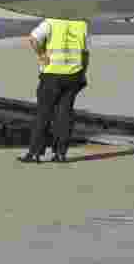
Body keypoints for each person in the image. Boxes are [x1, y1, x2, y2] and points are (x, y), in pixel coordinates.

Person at [19, 18, 90, 164]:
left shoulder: (51, 22)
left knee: (43, 114)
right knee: (65, 115)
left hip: (52, 76)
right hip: (73, 75)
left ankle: (35, 153)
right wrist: (83, 73)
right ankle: (60, 154)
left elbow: (33, 39)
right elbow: (84, 53)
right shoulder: (81, 24)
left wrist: (41, 55)